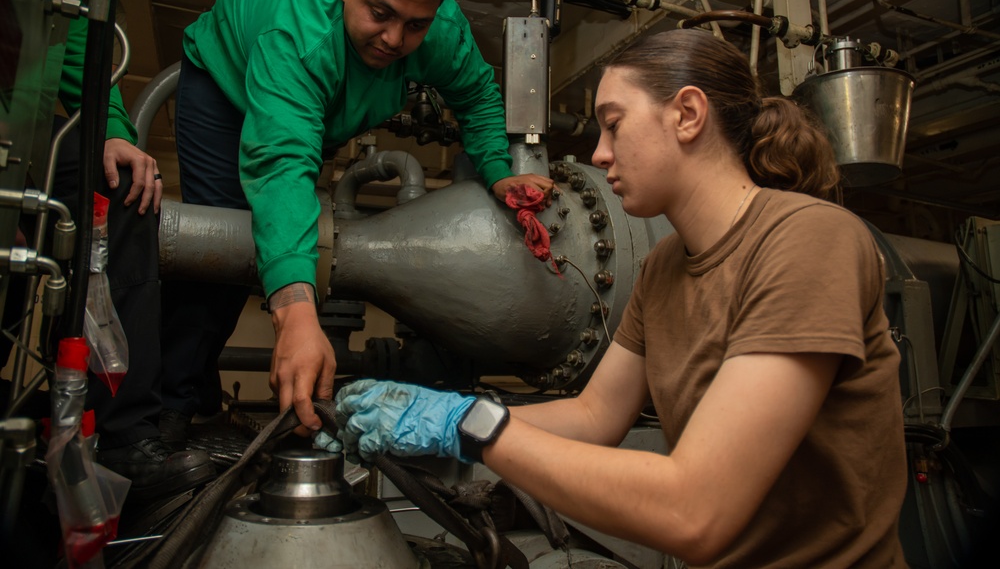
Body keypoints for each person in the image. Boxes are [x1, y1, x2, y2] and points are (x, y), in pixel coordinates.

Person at [328, 29, 910, 567]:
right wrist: (427, 420)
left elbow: (695, 511)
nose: (599, 153)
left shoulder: (809, 237)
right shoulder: (661, 269)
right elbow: (594, 415)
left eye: (613, 123)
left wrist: (473, 424)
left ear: (686, 114)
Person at [158, 0, 554, 447]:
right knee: (223, 247)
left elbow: (478, 96)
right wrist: (296, 312)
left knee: (272, 244)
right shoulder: (296, 36)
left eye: (415, 24)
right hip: (223, 87)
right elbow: (283, 167)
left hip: (313, 111)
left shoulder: (440, 29)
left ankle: (197, 396)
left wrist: (500, 174)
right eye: (380, 13)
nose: (394, 38)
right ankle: (166, 416)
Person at [0, 0, 215, 500]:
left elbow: (89, 72)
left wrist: (115, 135)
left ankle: (122, 431)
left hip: (31, 137)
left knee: (126, 191)